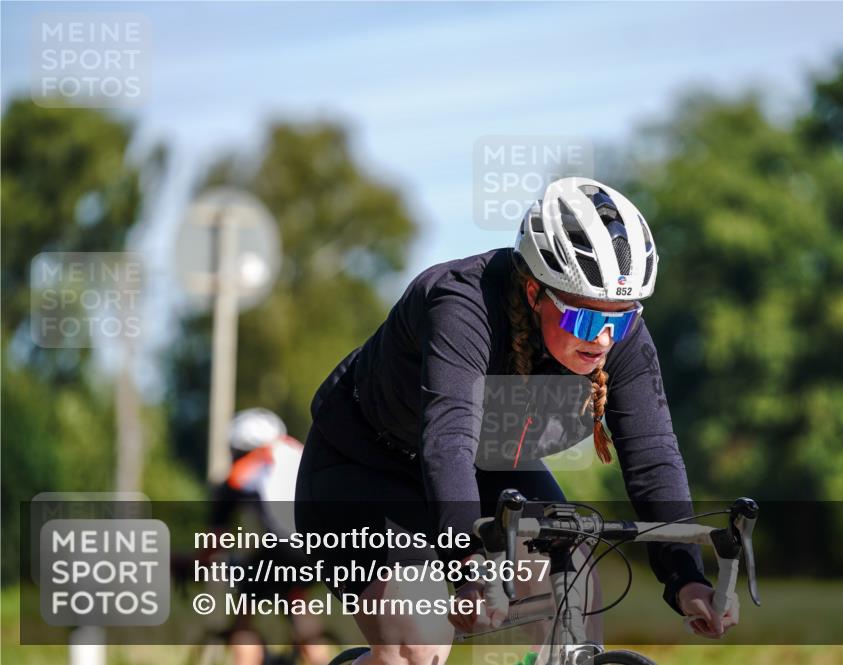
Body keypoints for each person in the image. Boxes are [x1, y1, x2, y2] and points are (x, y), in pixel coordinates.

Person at [294, 178, 737, 665]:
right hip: (364, 469)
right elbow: (448, 439)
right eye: (588, 321)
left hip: (488, 466)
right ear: (534, 291)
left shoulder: (614, 328)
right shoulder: (461, 304)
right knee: (418, 647)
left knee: (574, 596)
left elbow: (652, 453)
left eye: (624, 318)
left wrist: (687, 576)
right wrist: (467, 564)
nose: (606, 338)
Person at [207, 408, 330, 665]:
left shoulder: (241, 470)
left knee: (245, 606)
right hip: (321, 548)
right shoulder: (301, 452)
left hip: (281, 547)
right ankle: (321, 659)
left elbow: (216, 537)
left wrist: (200, 561)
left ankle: (246, 658)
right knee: (298, 600)